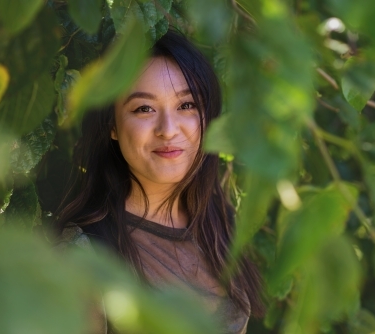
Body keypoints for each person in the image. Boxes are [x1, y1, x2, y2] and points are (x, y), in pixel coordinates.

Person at [55, 29, 263, 334]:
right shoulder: (87, 255)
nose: (168, 129)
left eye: (186, 105)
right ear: (112, 124)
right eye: (144, 108)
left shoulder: (220, 225)